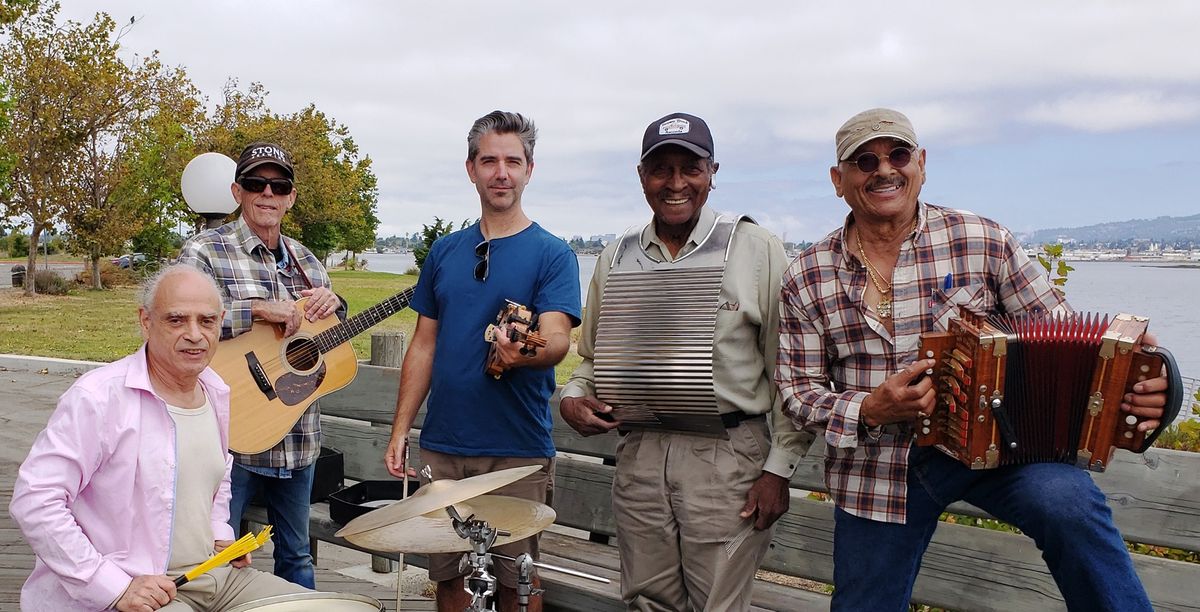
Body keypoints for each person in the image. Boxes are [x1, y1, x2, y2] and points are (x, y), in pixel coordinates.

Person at [776, 107, 1172, 611]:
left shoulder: (982, 239)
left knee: (1069, 505)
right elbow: (797, 391)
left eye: (898, 154)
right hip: (877, 467)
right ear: (838, 180)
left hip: (999, 445)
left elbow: (1071, 337)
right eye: (864, 160)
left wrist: (1149, 380)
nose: (884, 169)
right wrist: (870, 410)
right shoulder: (807, 275)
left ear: (921, 162)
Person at [559, 112, 814, 611]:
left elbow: (789, 370)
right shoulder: (615, 258)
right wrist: (572, 399)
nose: (676, 183)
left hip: (729, 457)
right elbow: (590, 361)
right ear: (641, 176)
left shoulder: (756, 249)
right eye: (661, 169)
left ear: (712, 172)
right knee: (646, 602)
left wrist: (778, 471)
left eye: (690, 168)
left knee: (717, 604)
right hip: (640, 457)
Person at [10, 265, 309, 611]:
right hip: (143, 588)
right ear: (146, 321)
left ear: (221, 321)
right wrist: (111, 585)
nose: (195, 334)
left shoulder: (214, 389)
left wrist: (219, 533)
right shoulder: (98, 397)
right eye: (176, 320)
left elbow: (216, 477)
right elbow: (35, 500)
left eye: (207, 321)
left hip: (215, 575)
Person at [383, 110, 581, 612]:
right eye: (489, 160)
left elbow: (557, 337)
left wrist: (524, 352)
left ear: (529, 170)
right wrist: (400, 428)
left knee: (518, 586)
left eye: (513, 161)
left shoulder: (553, 254)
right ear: (470, 169)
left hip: (516, 452)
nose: (501, 172)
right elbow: (424, 343)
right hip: (445, 449)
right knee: (450, 584)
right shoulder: (445, 251)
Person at [179, 142, 343, 588]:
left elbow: (324, 338)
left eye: (279, 185)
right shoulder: (205, 251)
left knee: (297, 558)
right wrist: (255, 310)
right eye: (256, 184)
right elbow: (183, 322)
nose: (267, 193)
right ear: (237, 192)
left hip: (297, 436)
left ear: (290, 196)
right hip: (229, 439)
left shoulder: (307, 260)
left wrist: (336, 304)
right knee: (216, 560)